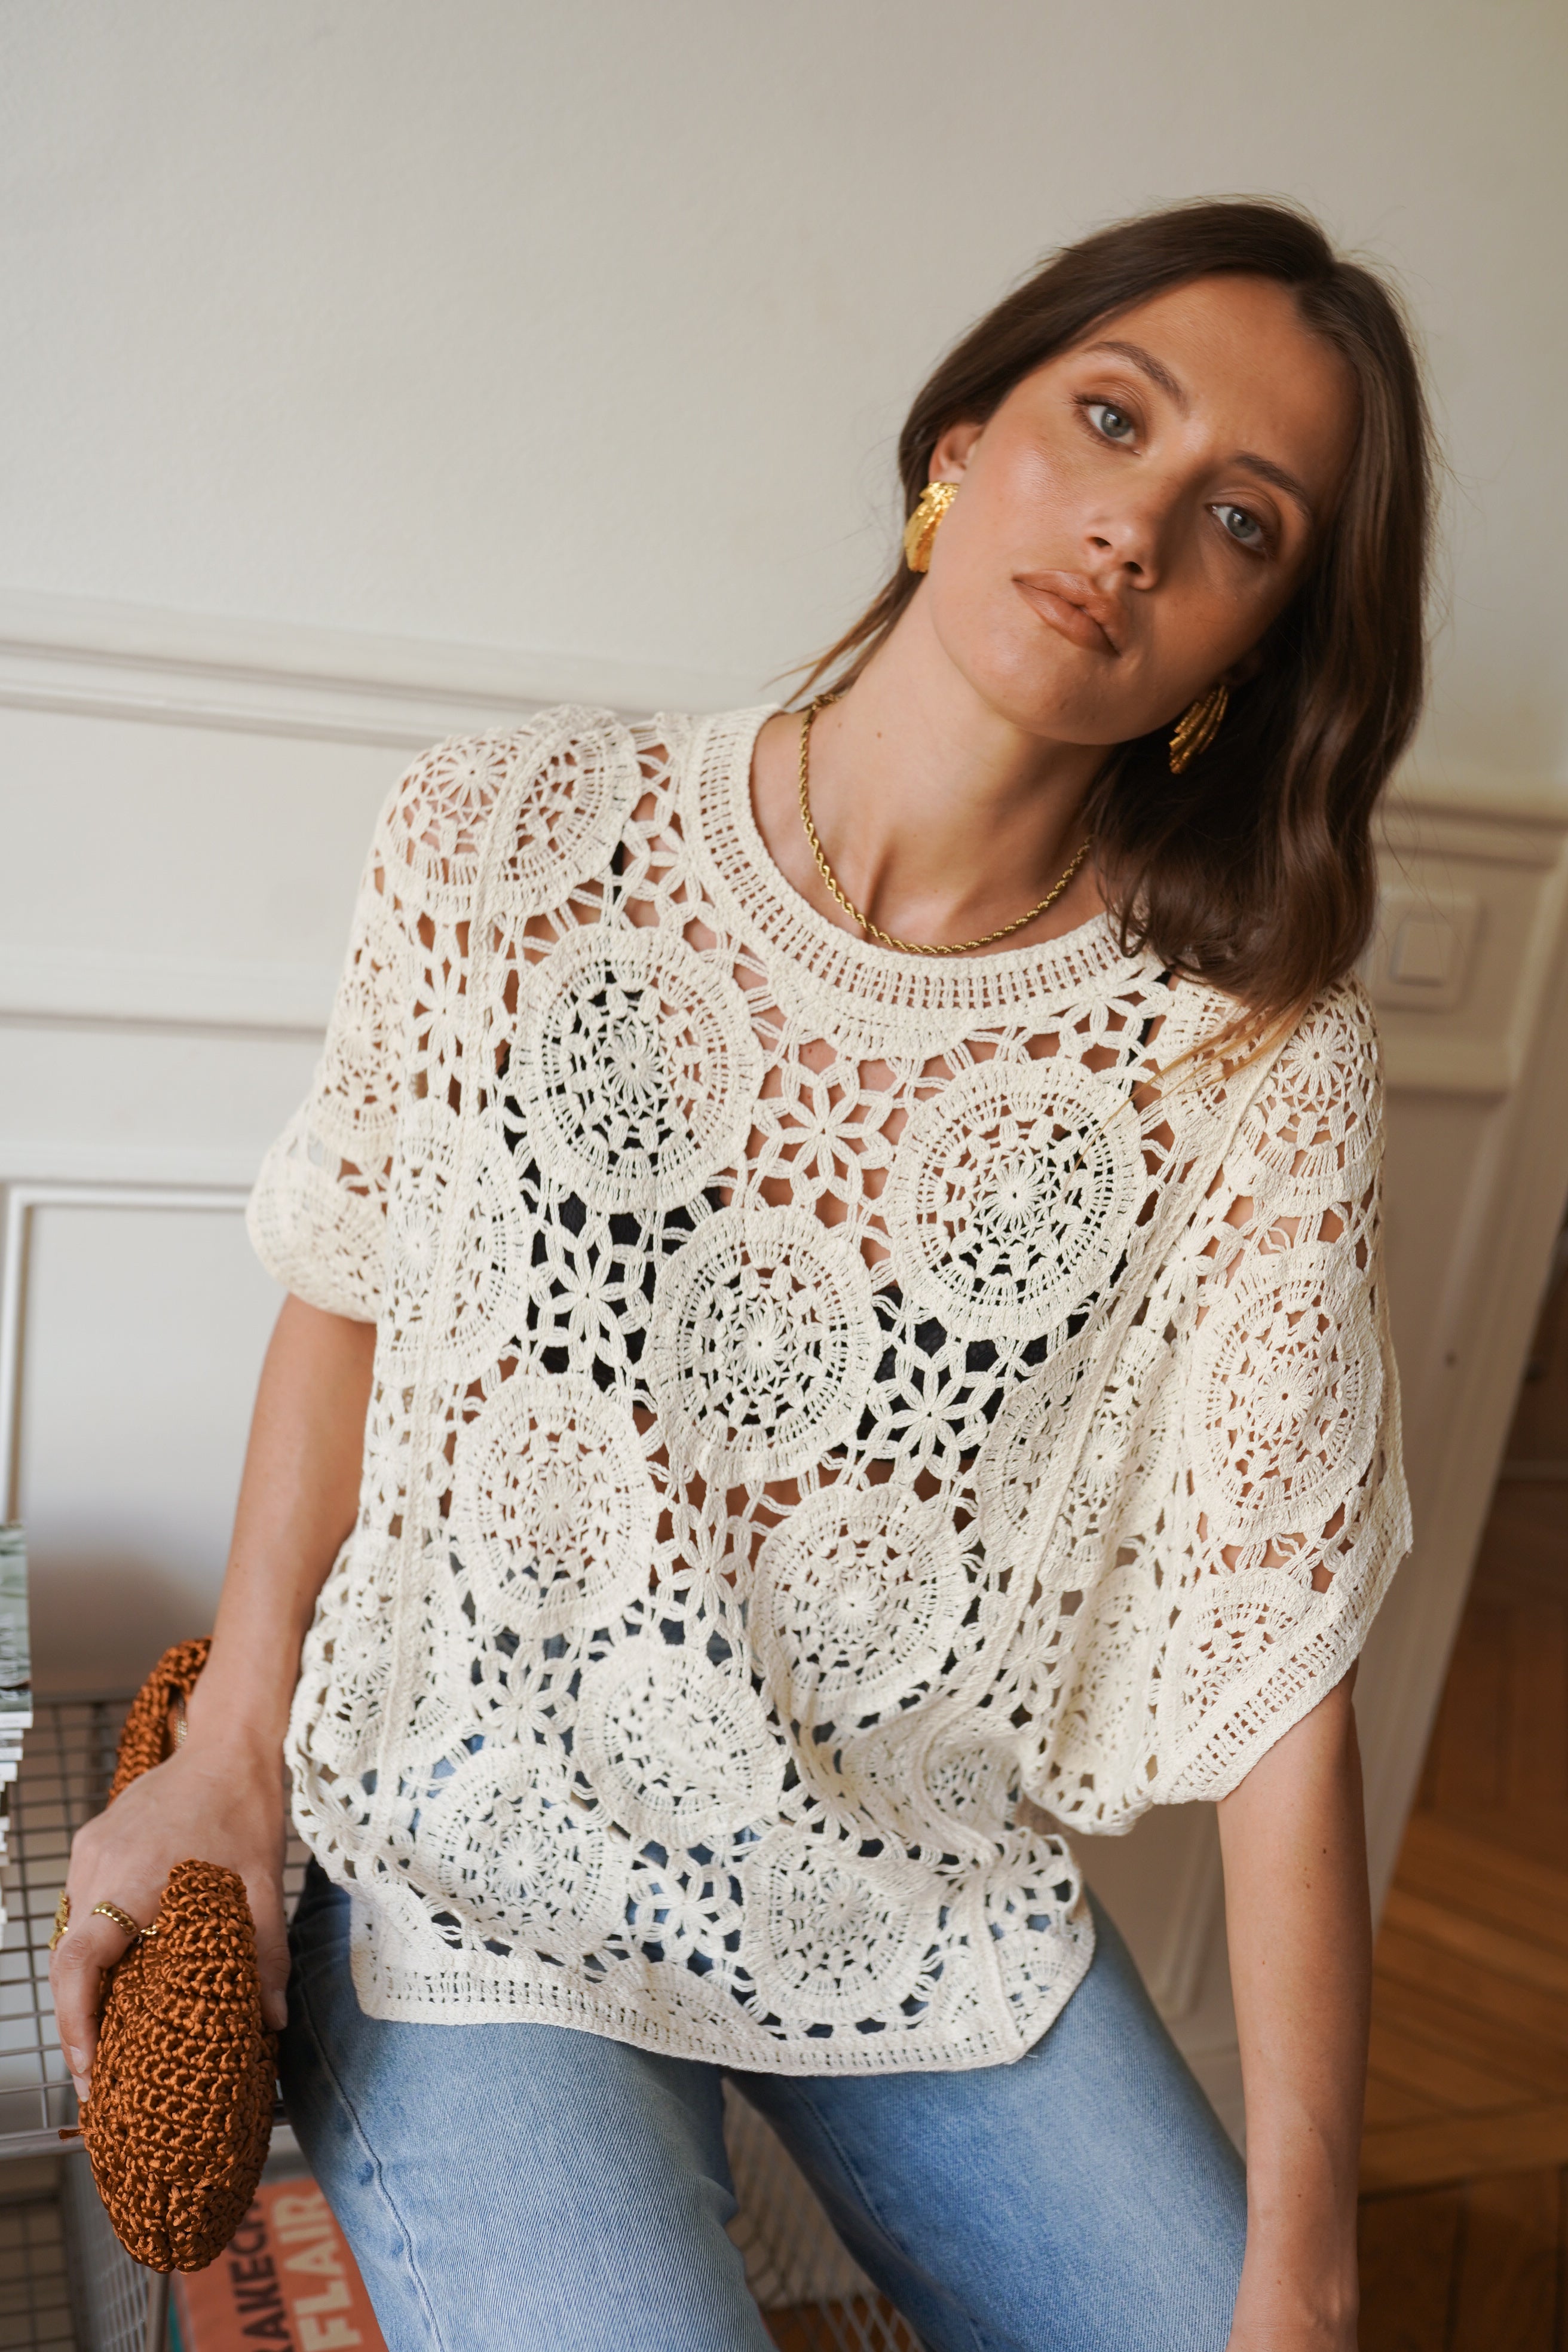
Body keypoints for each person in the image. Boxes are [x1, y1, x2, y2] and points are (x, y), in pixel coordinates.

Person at [52, 197, 1431, 2351]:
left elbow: (1280, 1670)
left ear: (1257, 647)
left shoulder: (1249, 1060)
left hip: (907, 1895)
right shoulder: (512, 834)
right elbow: (351, 1290)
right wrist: (232, 1745)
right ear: (961, 445)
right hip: (467, 1864)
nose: (1139, 530)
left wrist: (1308, 2272)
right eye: (1111, 419)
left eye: (1241, 520)